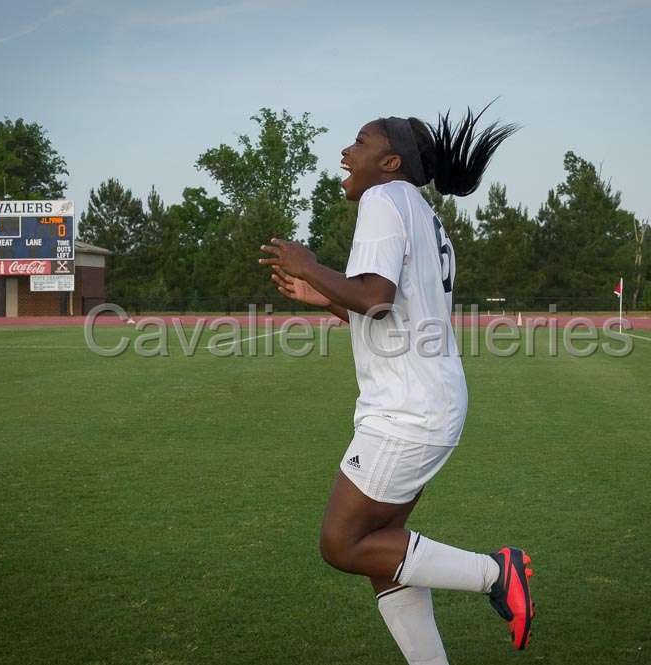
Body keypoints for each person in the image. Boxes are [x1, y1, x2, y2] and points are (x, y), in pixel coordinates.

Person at [259, 106, 533, 664]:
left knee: (343, 544)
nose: (345, 152)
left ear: (389, 161)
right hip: (427, 401)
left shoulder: (384, 199)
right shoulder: (421, 212)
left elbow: (376, 298)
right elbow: (388, 311)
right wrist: (327, 298)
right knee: (383, 554)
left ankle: (495, 572)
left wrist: (309, 265)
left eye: (358, 142)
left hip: (406, 410)